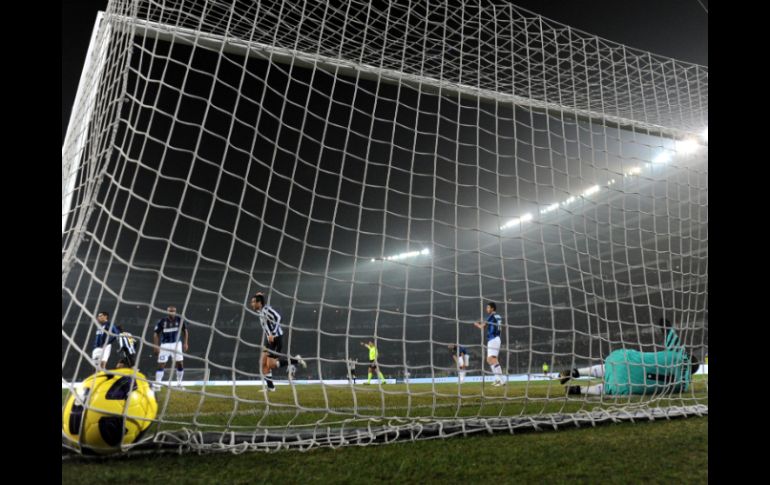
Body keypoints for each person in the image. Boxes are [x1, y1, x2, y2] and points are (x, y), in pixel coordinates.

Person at [559, 318, 699, 395]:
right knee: (608, 388)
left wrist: (665, 324)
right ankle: (578, 390)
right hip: (626, 386)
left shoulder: (680, 353)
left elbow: (668, 330)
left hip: (627, 361)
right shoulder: (684, 385)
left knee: (612, 365)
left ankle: (575, 372)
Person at [249, 292, 306, 391]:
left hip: (276, 339)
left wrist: (273, 333)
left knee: (270, 365)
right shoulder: (261, 310)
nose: (252, 304)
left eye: (254, 302)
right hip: (269, 340)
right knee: (262, 363)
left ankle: (295, 360)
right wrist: (260, 296)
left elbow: (278, 317)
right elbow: (262, 301)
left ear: (259, 303)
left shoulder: (266, 310)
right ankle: (271, 387)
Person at [153, 306, 189, 391]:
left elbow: (185, 331)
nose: (172, 313)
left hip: (177, 344)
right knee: (161, 364)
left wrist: (185, 343)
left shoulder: (179, 320)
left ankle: (179, 384)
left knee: (179, 363)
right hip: (165, 345)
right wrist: (156, 346)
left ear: (175, 312)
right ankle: (158, 385)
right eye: (170, 311)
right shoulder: (162, 321)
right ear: (167, 311)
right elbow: (156, 334)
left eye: (173, 311)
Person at [473, 301, 505, 386]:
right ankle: (498, 379)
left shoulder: (492, 316)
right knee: (489, 360)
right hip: (495, 338)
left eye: (488, 307)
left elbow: (482, 327)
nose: (486, 309)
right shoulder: (498, 316)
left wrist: (476, 324)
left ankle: (502, 380)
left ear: (492, 308)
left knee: (493, 359)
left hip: (493, 338)